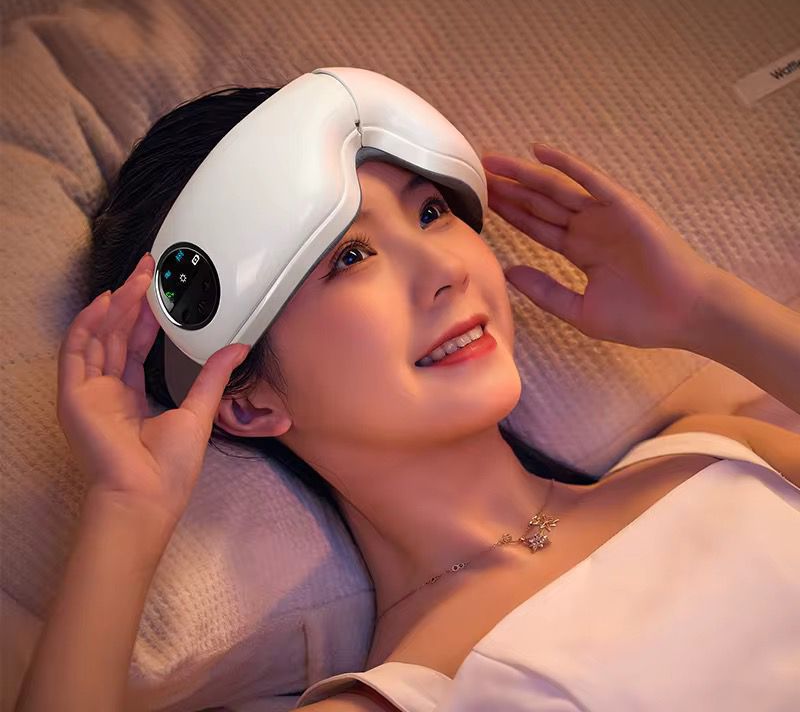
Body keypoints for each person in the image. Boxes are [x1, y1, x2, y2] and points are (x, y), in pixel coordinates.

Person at [15, 87, 800, 711]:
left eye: (430, 212)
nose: (445, 269)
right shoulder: (404, 696)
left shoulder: (718, 455)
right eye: (351, 256)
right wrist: (126, 511)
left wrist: (708, 311)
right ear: (248, 404)